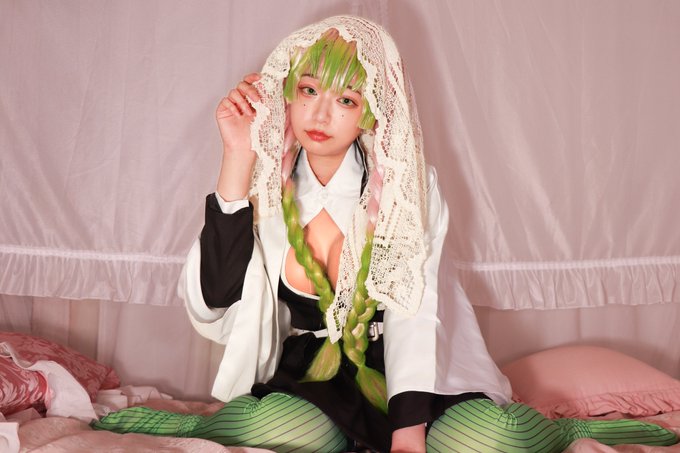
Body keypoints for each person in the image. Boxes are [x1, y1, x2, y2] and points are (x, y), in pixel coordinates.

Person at [92, 16, 678, 452]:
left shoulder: (406, 187)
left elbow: (414, 313)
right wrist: (237, 158)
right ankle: (207, 424)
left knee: (492, 439)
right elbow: (216, 300)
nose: (321, 115)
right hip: (313, 380)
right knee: (273, 427)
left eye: (345, 99)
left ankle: (561, 430)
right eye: (309, 90)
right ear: (287, 94)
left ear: (371, 111)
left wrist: (407, 436)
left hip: (413, 375)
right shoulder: (267, 184)